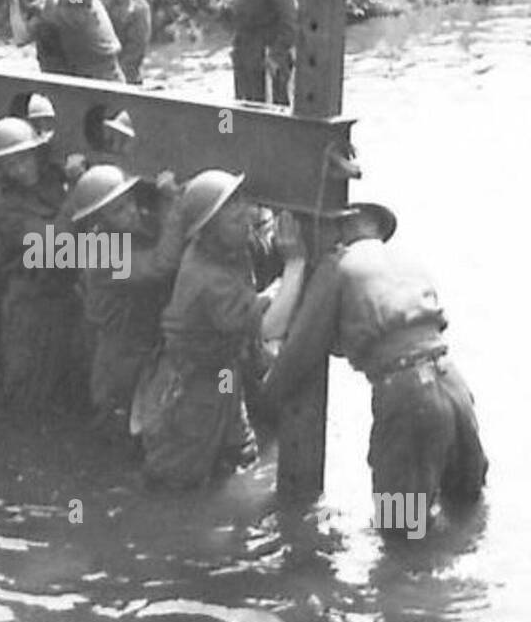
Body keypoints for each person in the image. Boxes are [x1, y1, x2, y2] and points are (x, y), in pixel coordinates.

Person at [262, 202, 488, 520]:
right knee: (465, 506)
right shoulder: (409, 261)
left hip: (408, 399)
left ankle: (405, 566)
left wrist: (261, 399)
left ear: (342, 227)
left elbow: (299, 355)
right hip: (453, 387)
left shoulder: (336, 267)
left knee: (402, 526)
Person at [133, 170, 305, 488]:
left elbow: (252, 287)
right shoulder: (207, 276)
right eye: (231, 216)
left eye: (240, 203)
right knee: (176, 478)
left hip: (224, 376)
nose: (244, 218)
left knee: (238, 455)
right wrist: (295, 265)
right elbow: (271, 327)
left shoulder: (227, 249)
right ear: (207, 230)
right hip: (193, 388)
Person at [0, 116, 85, 410]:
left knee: (66, 383)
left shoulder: (49, 173)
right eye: (11, 165)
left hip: (64, 292)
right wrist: (76, 188)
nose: (21, 170)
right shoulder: (0, 206)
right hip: (31, 301)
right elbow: (55, 245)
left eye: (24, 159)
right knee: (28, 388)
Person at [70, 164, 186, 442]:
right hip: (119, 349)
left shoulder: (135, 224)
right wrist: (175, 205)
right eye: (118, 210)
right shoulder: (101, 252)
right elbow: (161, 264)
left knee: (142, 415)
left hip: (140, 339)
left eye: (129, 203)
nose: (131, 212)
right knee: (115, 418)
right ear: (100, 219)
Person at [16, 0, 125, 81]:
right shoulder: (89, 3)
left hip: (100, 80)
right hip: (96, 76)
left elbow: (24, 35)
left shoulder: (76, 13)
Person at [97, 0, 152, 85]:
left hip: (126, 77)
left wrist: (115, 78)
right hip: (95, 72)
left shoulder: (139, 8)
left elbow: (136, 51)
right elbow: (72, 10)